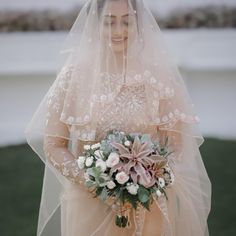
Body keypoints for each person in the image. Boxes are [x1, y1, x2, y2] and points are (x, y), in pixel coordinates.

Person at [24, 0, 212, 235]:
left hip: (147, 203)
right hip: (88, 203)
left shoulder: (158, 77)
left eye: (127, 22)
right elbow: (54, 145)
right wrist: (95, 182)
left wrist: (148, 179)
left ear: (139, 25)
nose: (118, 31)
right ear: (96, 25)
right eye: (109, 22)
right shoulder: (73, 78)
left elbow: (175, 145)